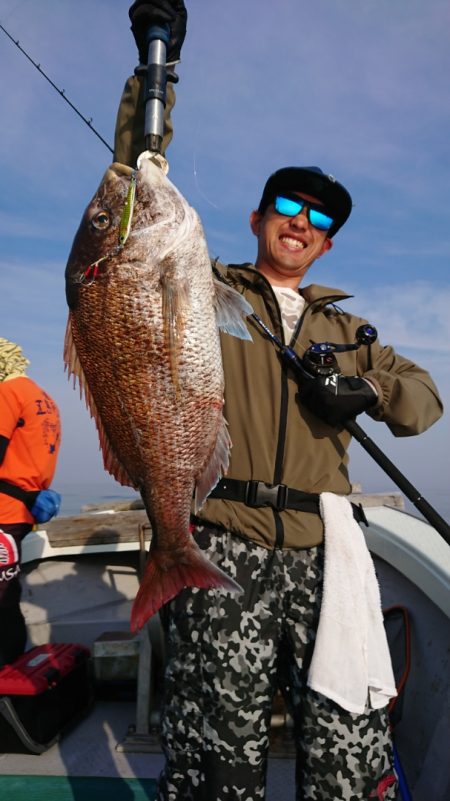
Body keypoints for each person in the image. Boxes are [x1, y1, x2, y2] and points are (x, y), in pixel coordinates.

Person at [114, 3, 444, 799]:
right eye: (287, 208)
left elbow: (423, 400)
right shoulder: (203, 289)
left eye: (319, 218)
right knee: (215, 747)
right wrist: (153, 81)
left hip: (325, 550)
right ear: (258, 219)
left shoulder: (350, 327)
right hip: (221, 533)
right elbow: (131, 198)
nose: (301, 223)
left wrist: (364, 388)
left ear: (329, 243)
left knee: (345, 743)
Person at [0, 339, 61, 668]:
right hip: (22, 514)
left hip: (2, 513)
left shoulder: (7, 395)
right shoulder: (43, 397)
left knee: (3, 605)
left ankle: (7, 685)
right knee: (7, 599)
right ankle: (13, 676)